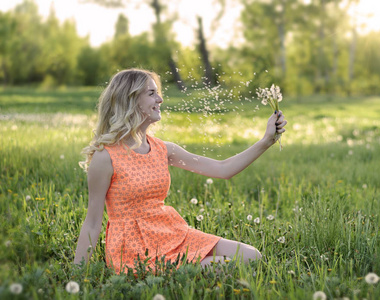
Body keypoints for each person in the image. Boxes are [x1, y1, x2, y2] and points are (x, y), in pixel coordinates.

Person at [73, 68, 287, 273]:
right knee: (220, 266)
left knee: (251, 256)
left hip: (170, 233)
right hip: (135, 249)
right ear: (130, 100)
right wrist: (77, 275)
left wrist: (266, 141)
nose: (160, 99)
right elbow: (92, 223)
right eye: (151, 93)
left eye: (158, 93)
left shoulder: (164, 150)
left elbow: (223, 169)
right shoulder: (105, 157)